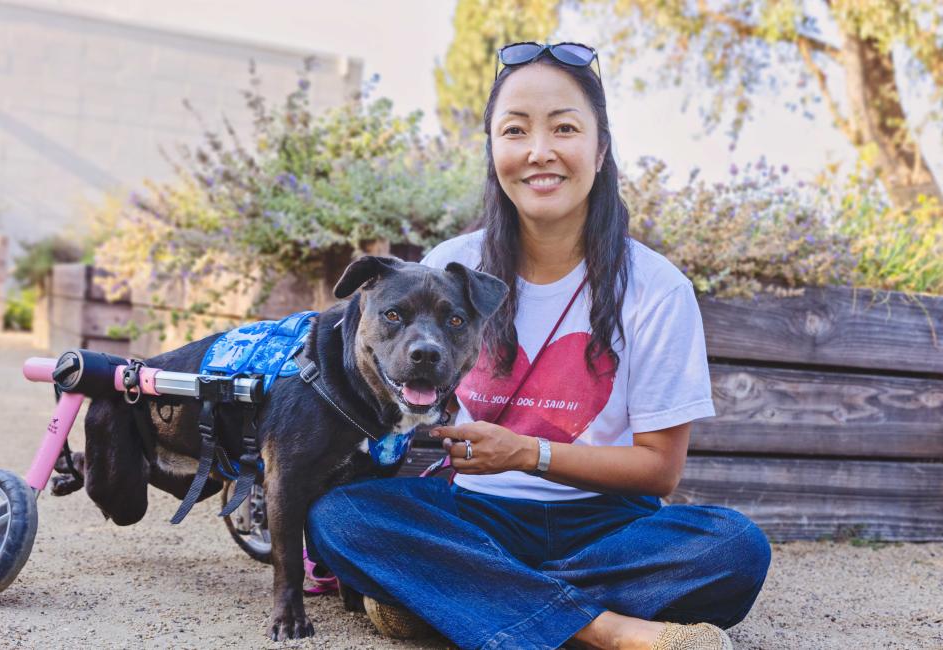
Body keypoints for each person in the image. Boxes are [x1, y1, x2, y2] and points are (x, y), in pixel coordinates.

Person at [306, 41, 771, 650]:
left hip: (606, 522)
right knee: (340, 517)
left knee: (734, 546)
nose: (539, 151)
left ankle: (455, 603)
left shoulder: (657, 288)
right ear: (494, 150)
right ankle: (608, 632)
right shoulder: (451, 266)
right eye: (515, 130)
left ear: (600, 150)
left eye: (565, 128)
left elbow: (659, 471)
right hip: (474, 515)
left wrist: (529, 454)